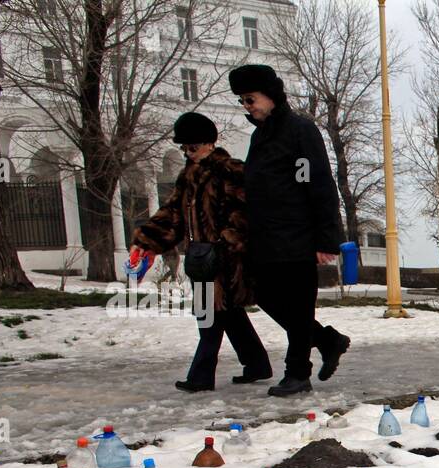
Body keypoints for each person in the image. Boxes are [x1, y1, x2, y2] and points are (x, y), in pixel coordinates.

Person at [229, 63, 350, 397]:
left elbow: (319, 184)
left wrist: (326, 239)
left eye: (250, 99)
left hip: (298, 236)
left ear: (270, 95)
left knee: (298, 307)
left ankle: (298, 374)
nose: (247, 106)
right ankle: (327, 340)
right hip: (266, 239)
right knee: (265, 296)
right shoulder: (259, 137)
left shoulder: (300, 131)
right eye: (242, 101)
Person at [130, 112, 271, 392]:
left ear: (209, 144)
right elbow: (172, 214)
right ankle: (256, 364)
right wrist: (147, 240)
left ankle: (201, 376)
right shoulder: (189, 177)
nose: (188, 153)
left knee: (209, 317)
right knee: (228, 314)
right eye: (184, 148)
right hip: (203, 259)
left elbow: (249, 213)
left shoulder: (230, 171)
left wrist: (226, 242)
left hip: (228, 259)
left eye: (192, 147)